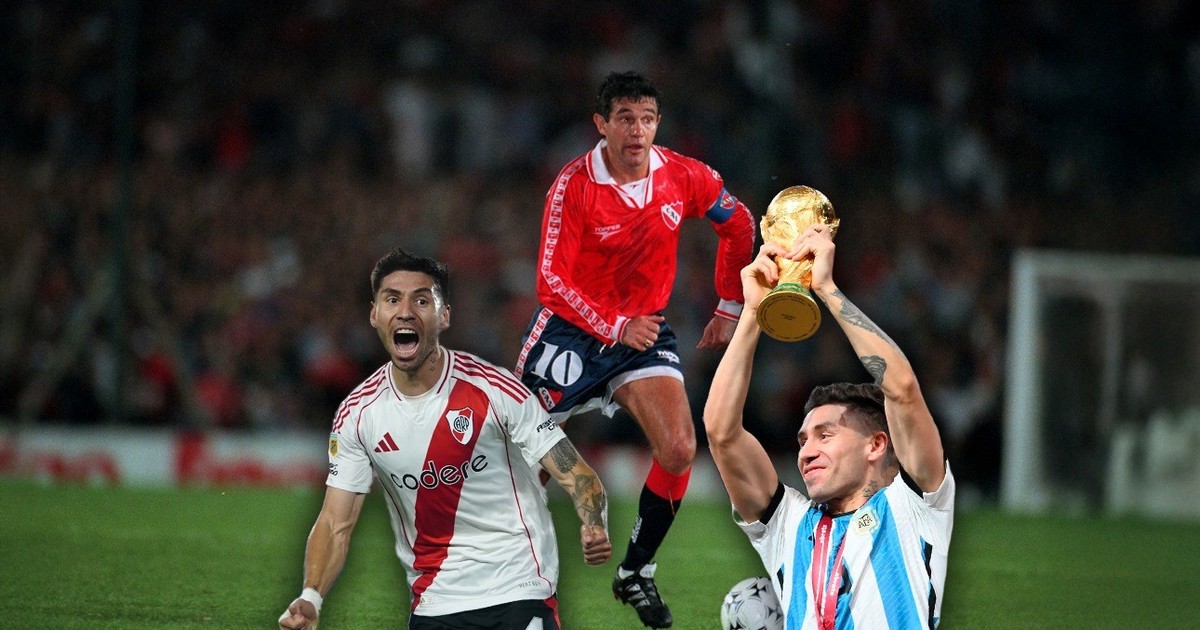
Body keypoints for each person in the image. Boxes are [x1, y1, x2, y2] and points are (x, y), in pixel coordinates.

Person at [513, 70, 756, 628]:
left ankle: (635, 571)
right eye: (625, 118)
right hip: (569, 335)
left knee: (679, 447)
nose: (637, 130)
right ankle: (509, 586)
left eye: (647, 119)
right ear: (601, 124)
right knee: (522, 477)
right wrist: (613, 324)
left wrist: (728, 304)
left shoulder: (683, 176)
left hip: (641, 334)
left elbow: (739, 224)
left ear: (658, 123)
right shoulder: (573, 185)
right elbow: (550, 281)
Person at [279, 248, 612, 630]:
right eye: (392, 299)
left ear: (444, 316)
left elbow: (575, 472)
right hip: (433, 603)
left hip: (518, 589)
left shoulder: (495, 389)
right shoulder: (358, 414)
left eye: (421, 300)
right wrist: (311, 596)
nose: (406, 312)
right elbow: (335, 522)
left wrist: (594, 523)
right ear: (375, 314)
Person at [703, 224, 955, 628]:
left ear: (876, 445)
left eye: (825, 435)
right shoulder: (787, 526)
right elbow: (721, 431)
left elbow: (902, 389)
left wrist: (826, 289)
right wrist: (753, 311)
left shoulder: (915, 507)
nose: (806, 451)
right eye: (803, 440)